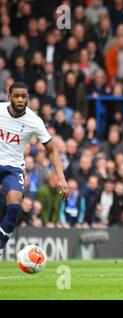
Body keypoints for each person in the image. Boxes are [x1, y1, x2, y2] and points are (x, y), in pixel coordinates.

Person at [0, 82, 68, 256]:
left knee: (14, 207)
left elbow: (52, 150)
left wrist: (61, 178)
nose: (21, 99)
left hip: (13, 169)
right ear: (9, 97)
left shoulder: (34, 121)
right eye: (17, 96)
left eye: (24, 96)